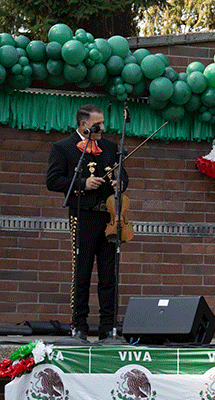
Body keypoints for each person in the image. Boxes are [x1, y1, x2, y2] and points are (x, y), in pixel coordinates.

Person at [46, 104, 128, 341]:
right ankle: (79, 326)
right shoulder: (63, 147)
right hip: (82, 216)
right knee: (81, 273)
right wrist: (83, 184)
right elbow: (53, 181)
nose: (103, 127)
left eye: (102, 122)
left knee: (108, 275)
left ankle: (107, 328)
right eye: (97, 123)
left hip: (109, 217)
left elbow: (122, 174)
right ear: (84, 125)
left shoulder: (111, 147)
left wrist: (120, 184)